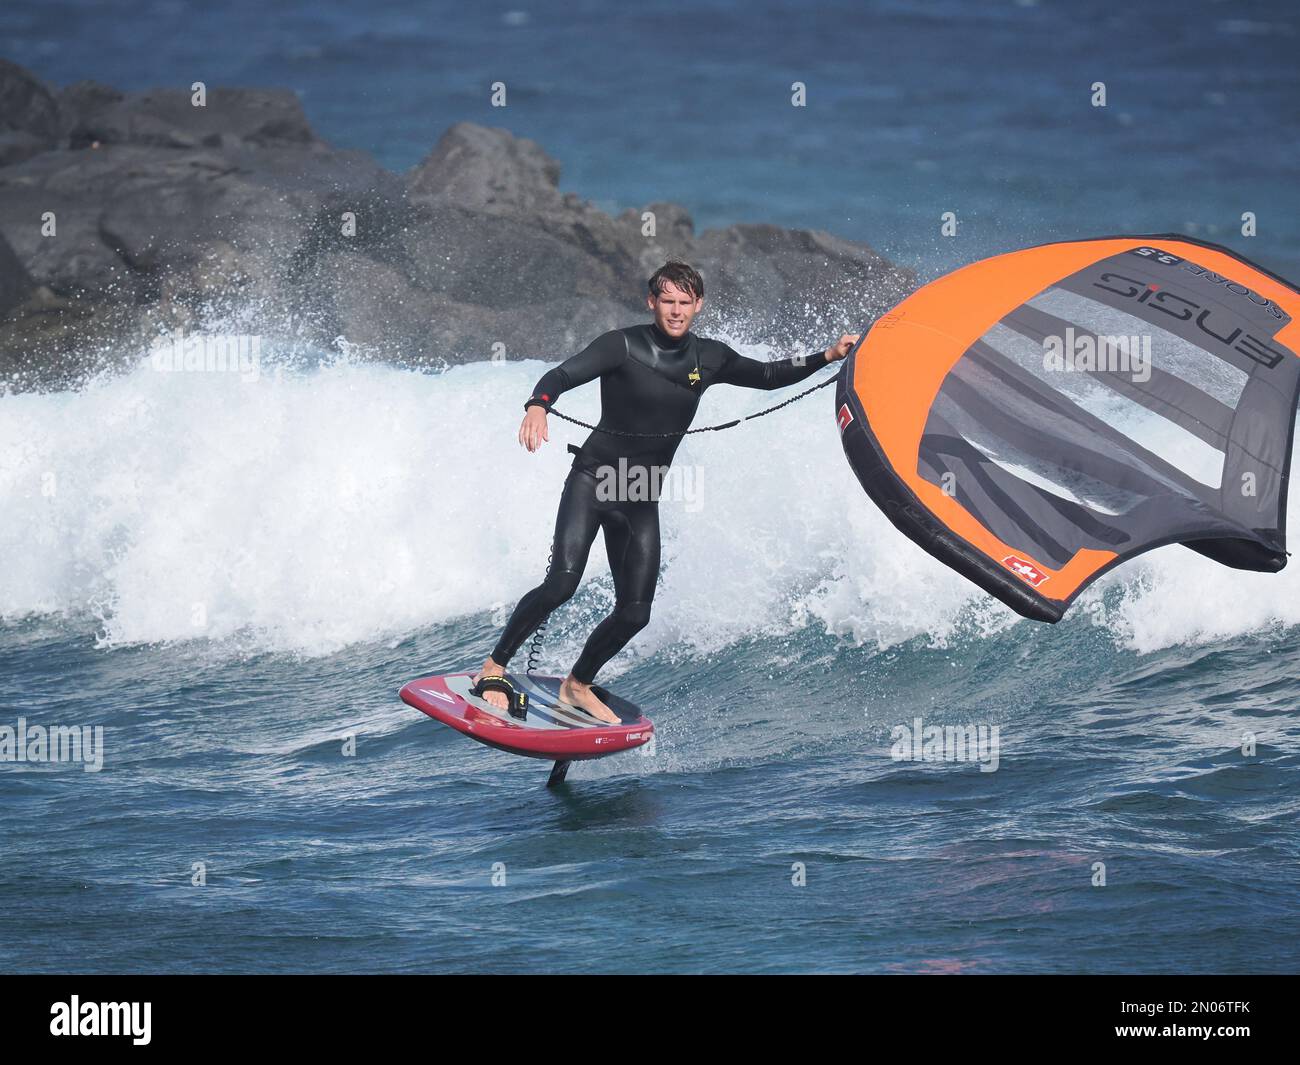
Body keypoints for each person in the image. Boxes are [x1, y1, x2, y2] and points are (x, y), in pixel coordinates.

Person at [473, 261, 859, 723]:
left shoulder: (709, 358)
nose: (676, 311)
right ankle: (492, 668)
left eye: (685, 302)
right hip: (595, 478)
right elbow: (561, 375)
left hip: (640, 493)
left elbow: (768, 375)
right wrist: (538, 407)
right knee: (562, 583)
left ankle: (577, 685)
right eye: (667, 301)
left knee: (636, 613)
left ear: (698, 305)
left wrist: (828, 355)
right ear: (651, 301)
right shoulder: (623, 345)